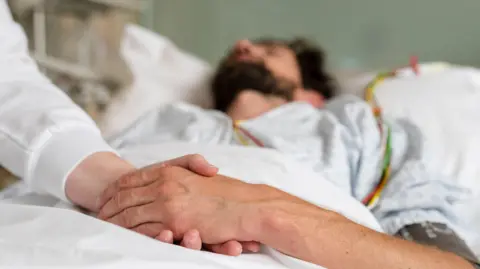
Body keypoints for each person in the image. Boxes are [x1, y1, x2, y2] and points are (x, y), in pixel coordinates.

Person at [96, 38, 480, 268]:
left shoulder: (358, 131)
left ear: (312, 95)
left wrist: (257, 211)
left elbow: (444, 265)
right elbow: (94, 192)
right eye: (242, 49)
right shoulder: (162, 122)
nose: (243, 46)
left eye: (270, 50)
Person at [0, 0, 251, 255]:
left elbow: (9, 79)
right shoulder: (175, 119)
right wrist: (128, 190)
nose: (245, 44)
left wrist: (125, 190)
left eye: (273, 52)